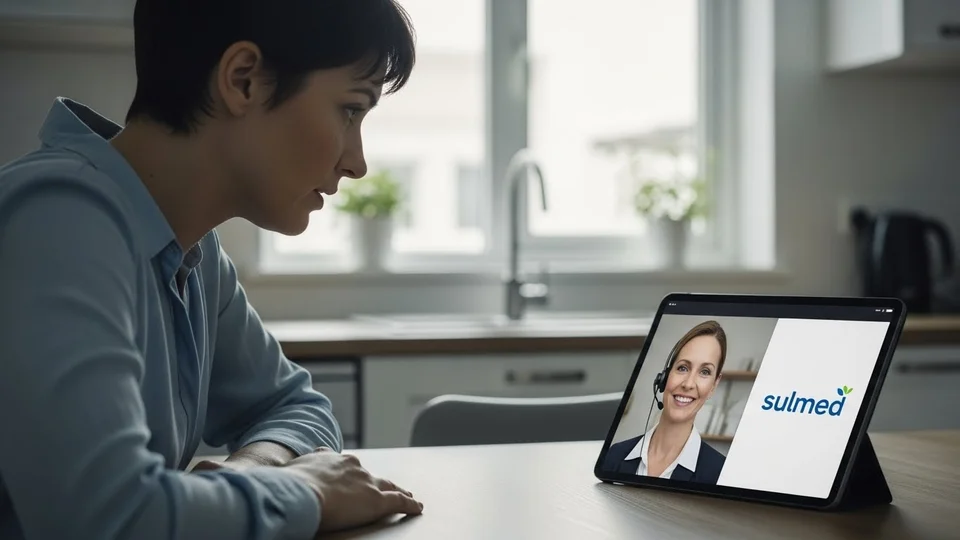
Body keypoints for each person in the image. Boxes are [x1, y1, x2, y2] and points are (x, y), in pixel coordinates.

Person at [0, 1, 421, 538]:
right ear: (243, 80)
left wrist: (252, 472)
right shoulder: (58, 218)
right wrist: (308, 490)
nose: (357, 162)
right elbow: (105, 518)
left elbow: (295, 406)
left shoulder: (191, 253)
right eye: (349, 109)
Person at [603, 320, 727, 484]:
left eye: (705, 372)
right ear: (665, 376)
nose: (688, 384)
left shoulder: (720, 474)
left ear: (713, 386)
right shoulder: (614, 455)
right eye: (683, 368)